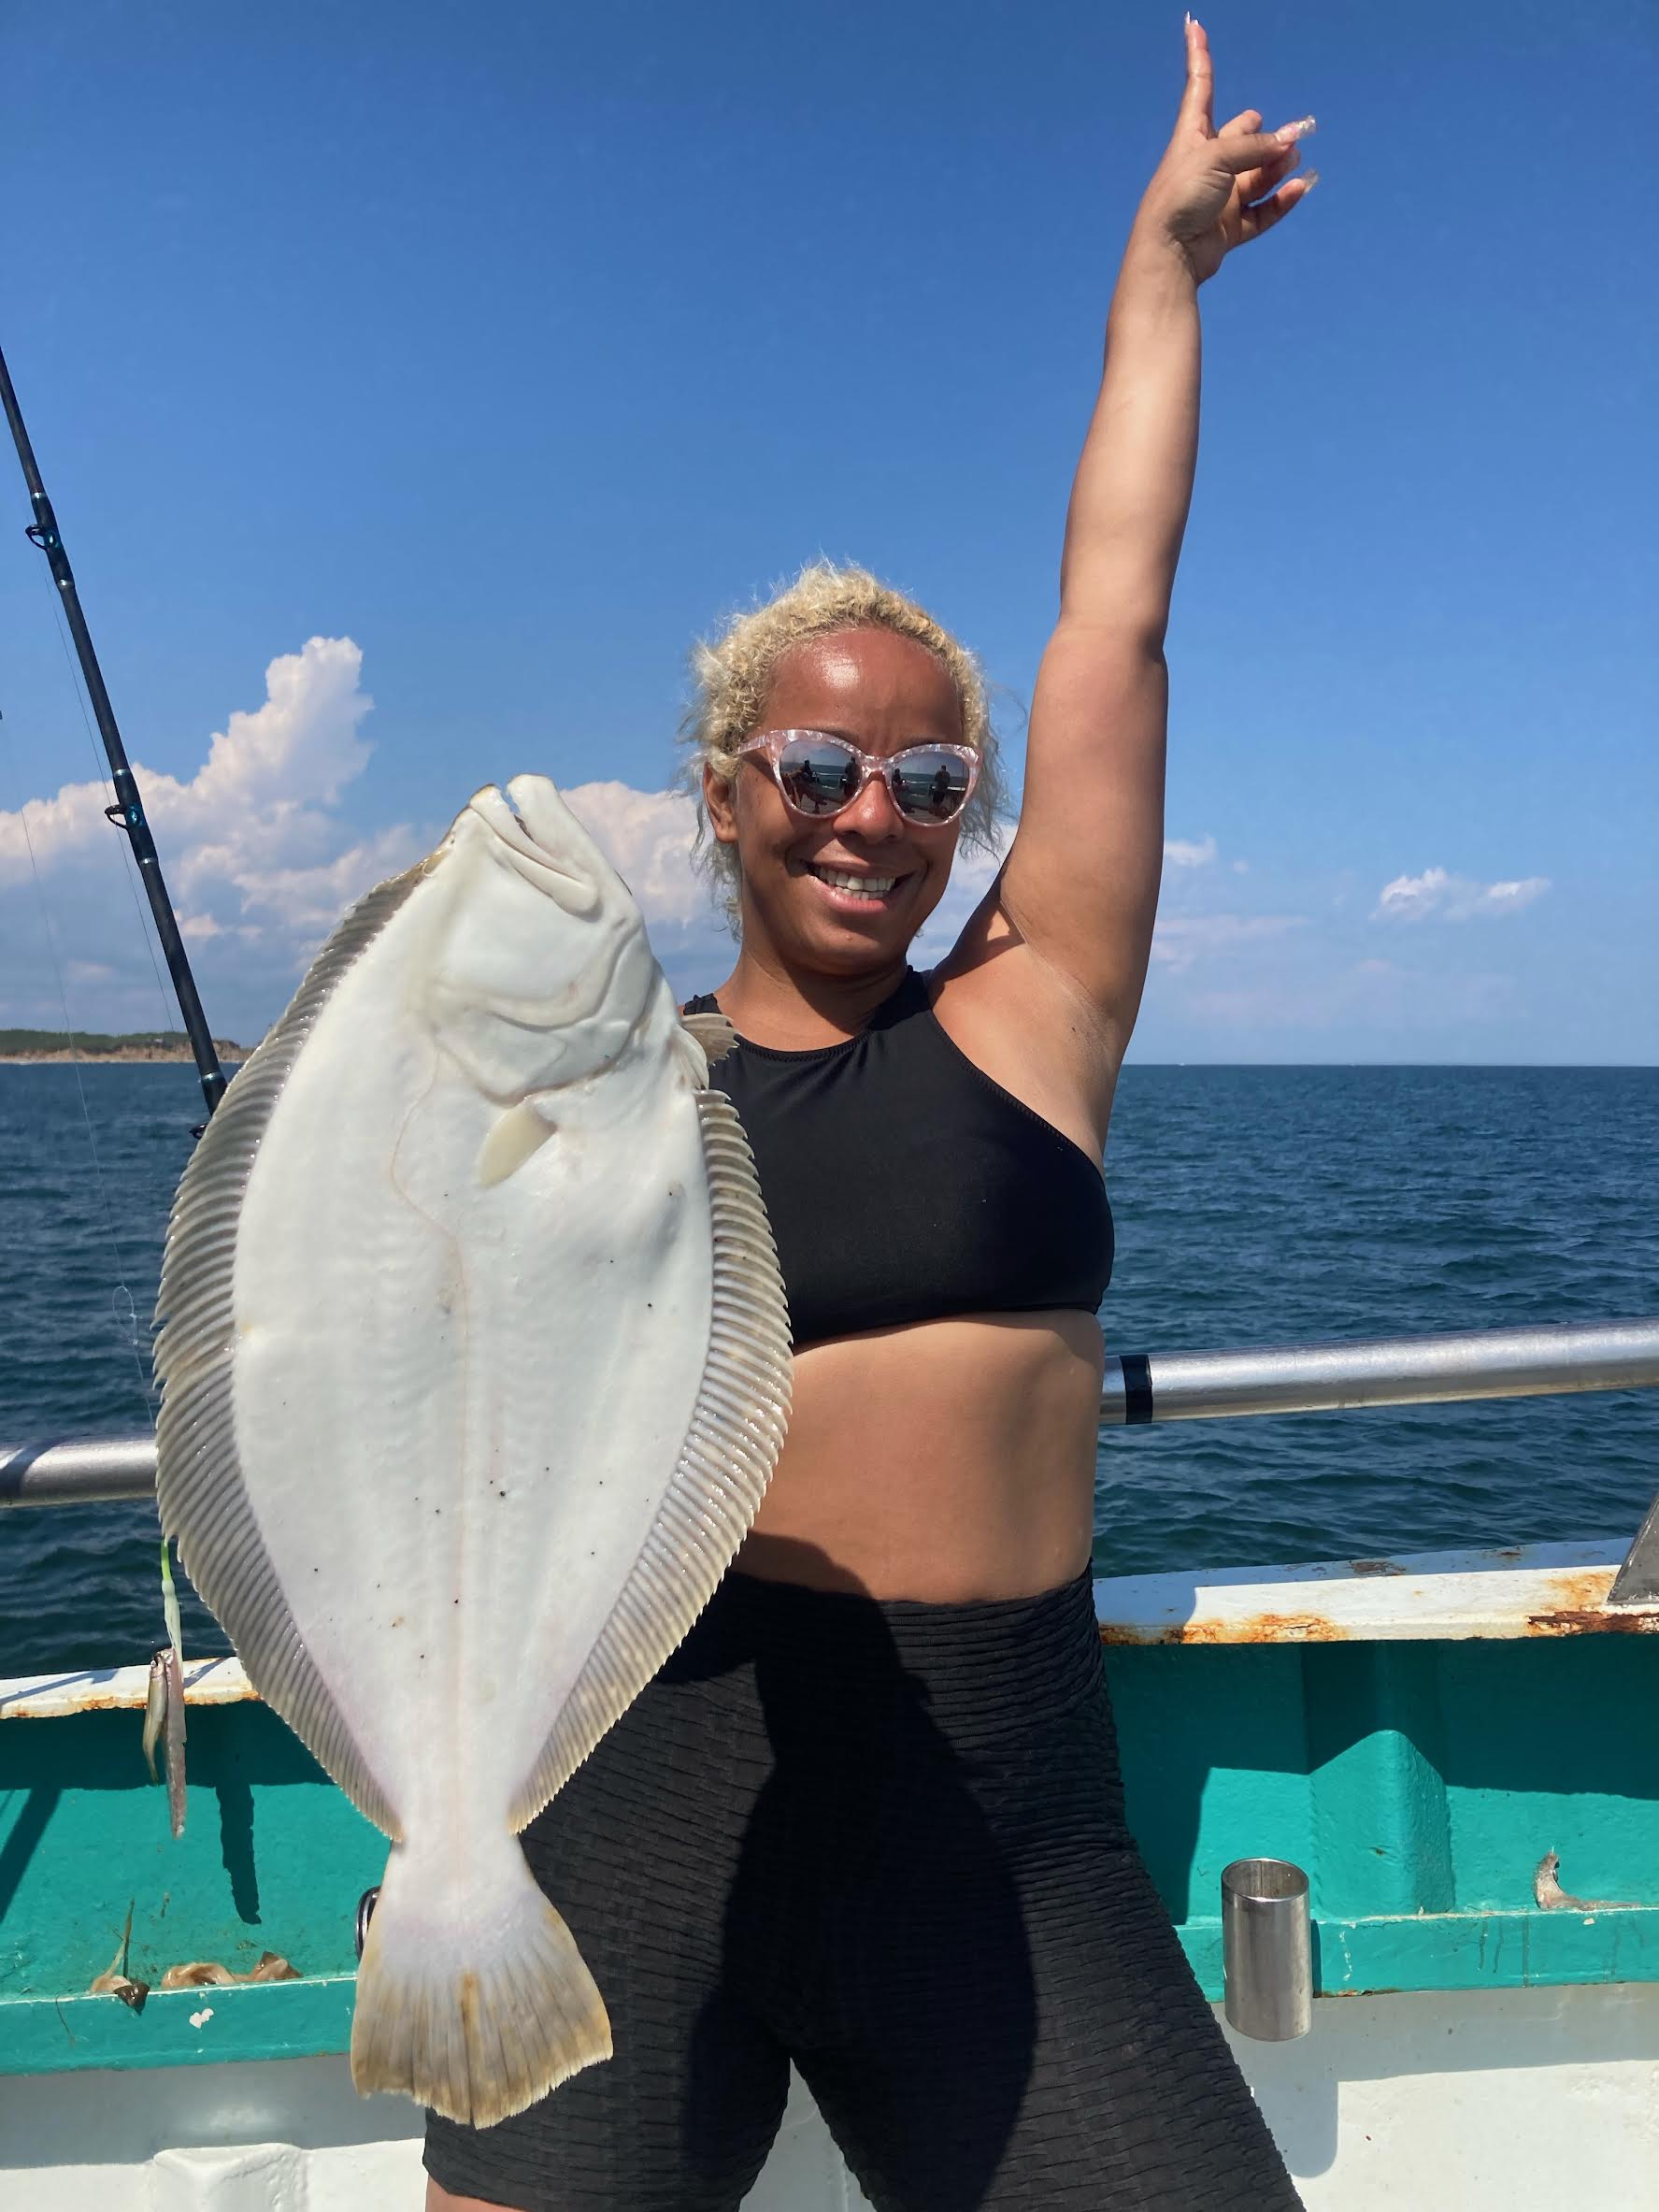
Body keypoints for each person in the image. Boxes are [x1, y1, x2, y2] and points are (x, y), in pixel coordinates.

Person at [426, 22, 1312, 2210]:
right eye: (814, 769)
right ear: (724, 785)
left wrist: (1161, 284)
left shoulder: (1035, 1006)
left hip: (999, 1820)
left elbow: (1117, 616)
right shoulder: (603, 1093)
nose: (870, 815)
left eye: (928, 781)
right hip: (638, 1789)